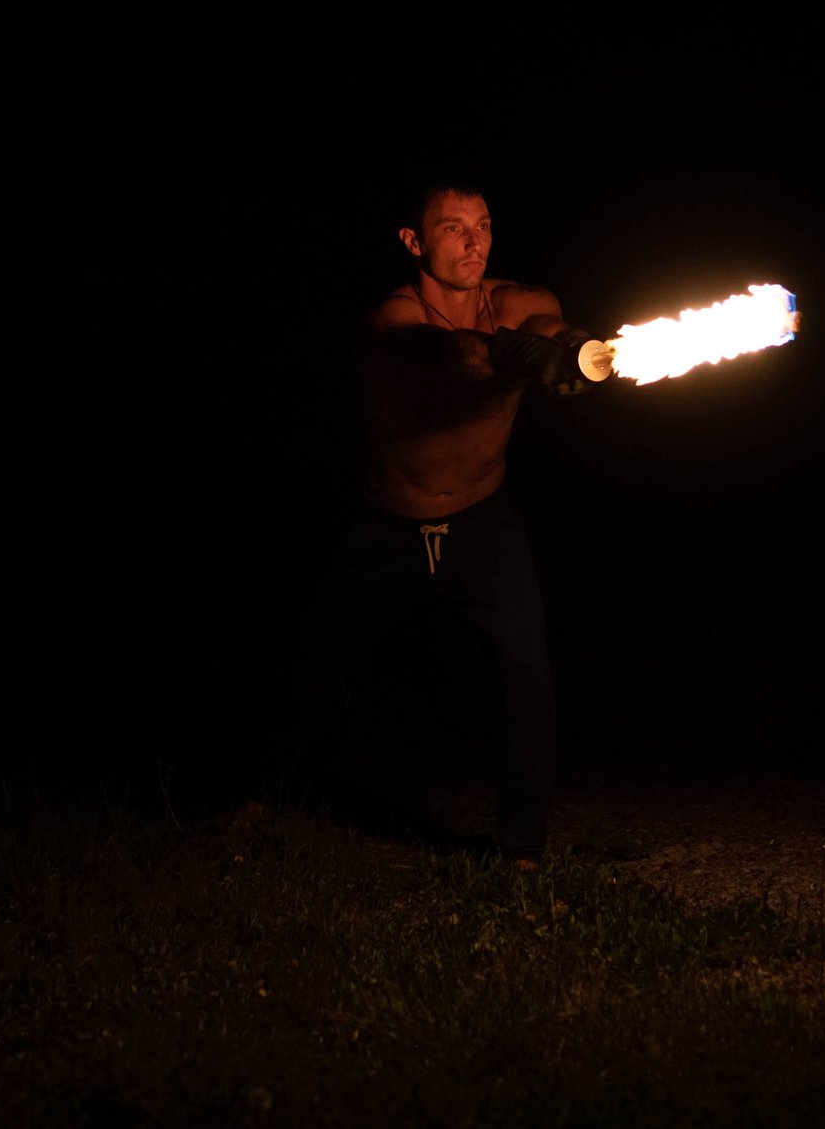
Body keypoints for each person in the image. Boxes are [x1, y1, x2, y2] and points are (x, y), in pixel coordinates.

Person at [256, 180, 611, 867]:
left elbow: (547, 328)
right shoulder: (392, 318)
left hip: (484, 525)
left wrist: (570, 347)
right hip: (388, 528)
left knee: (528, 676)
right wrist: (521, 358)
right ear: (413, 242)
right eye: (453, 228)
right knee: (312, 667)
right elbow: (457, 358)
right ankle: (253, 795)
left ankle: (522, 850)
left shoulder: (522, 302)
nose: (475, 243)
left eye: (484, 225)